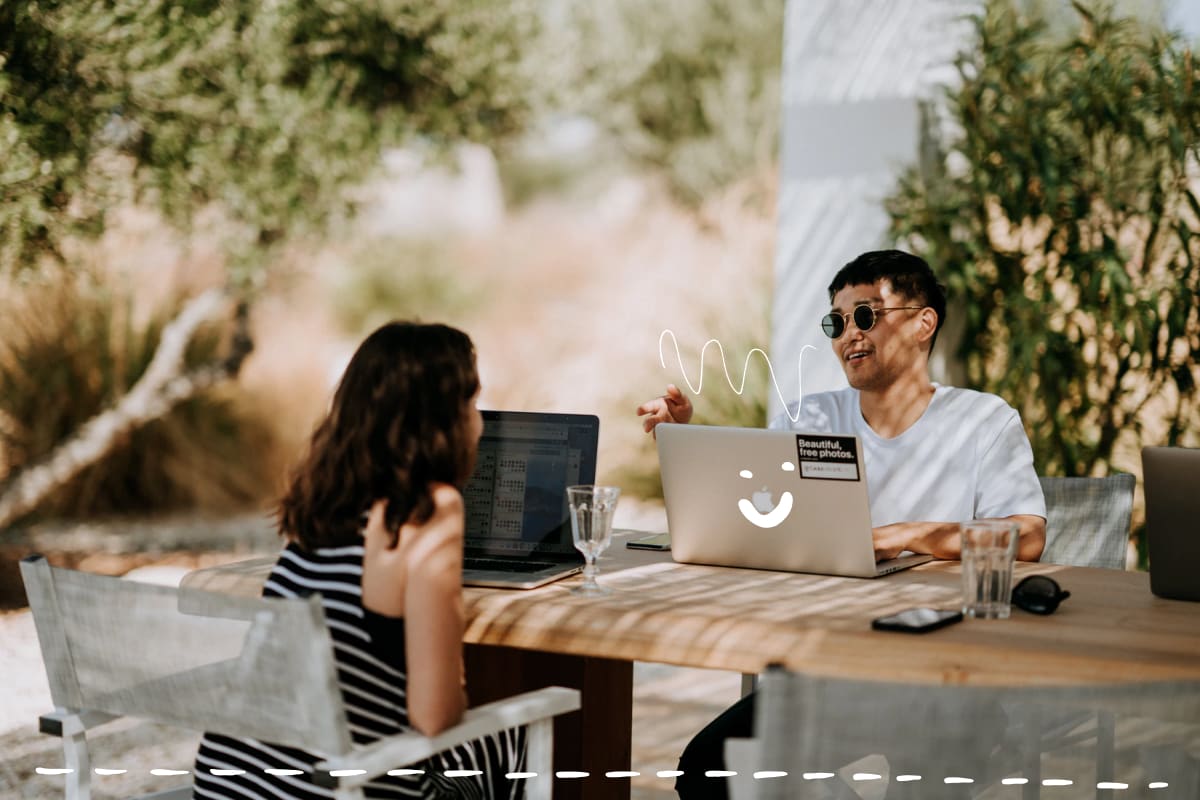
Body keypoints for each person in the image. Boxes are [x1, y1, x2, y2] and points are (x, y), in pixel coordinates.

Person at [637, 249, 1046, 799]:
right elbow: (751, 517)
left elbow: (1028, 535)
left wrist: (900, 536)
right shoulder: (810, 418)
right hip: (829, 672)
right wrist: (687, 441)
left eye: (866, 315)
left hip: (951, 678)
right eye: (837, 321)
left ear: (924, 322)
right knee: (708, 768)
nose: (848, 334)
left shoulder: (984, 421)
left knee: (928, 775)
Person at [194, 322, 524, 800]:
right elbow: (434, 717)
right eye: (472, 403)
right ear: (442, 419)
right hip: (337, 791)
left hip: (228, 785)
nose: (480, 421)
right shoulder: (429, 510)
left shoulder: (323, 500)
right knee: (507, 739)